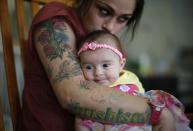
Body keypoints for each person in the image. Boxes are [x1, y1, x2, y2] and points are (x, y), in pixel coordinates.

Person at [17, 0, 191, 131]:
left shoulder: (104, 46)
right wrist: (157, 112)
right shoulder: (56, 21)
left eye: (123, 19)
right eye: (104, 11)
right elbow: (73, 96)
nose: (110, 27)